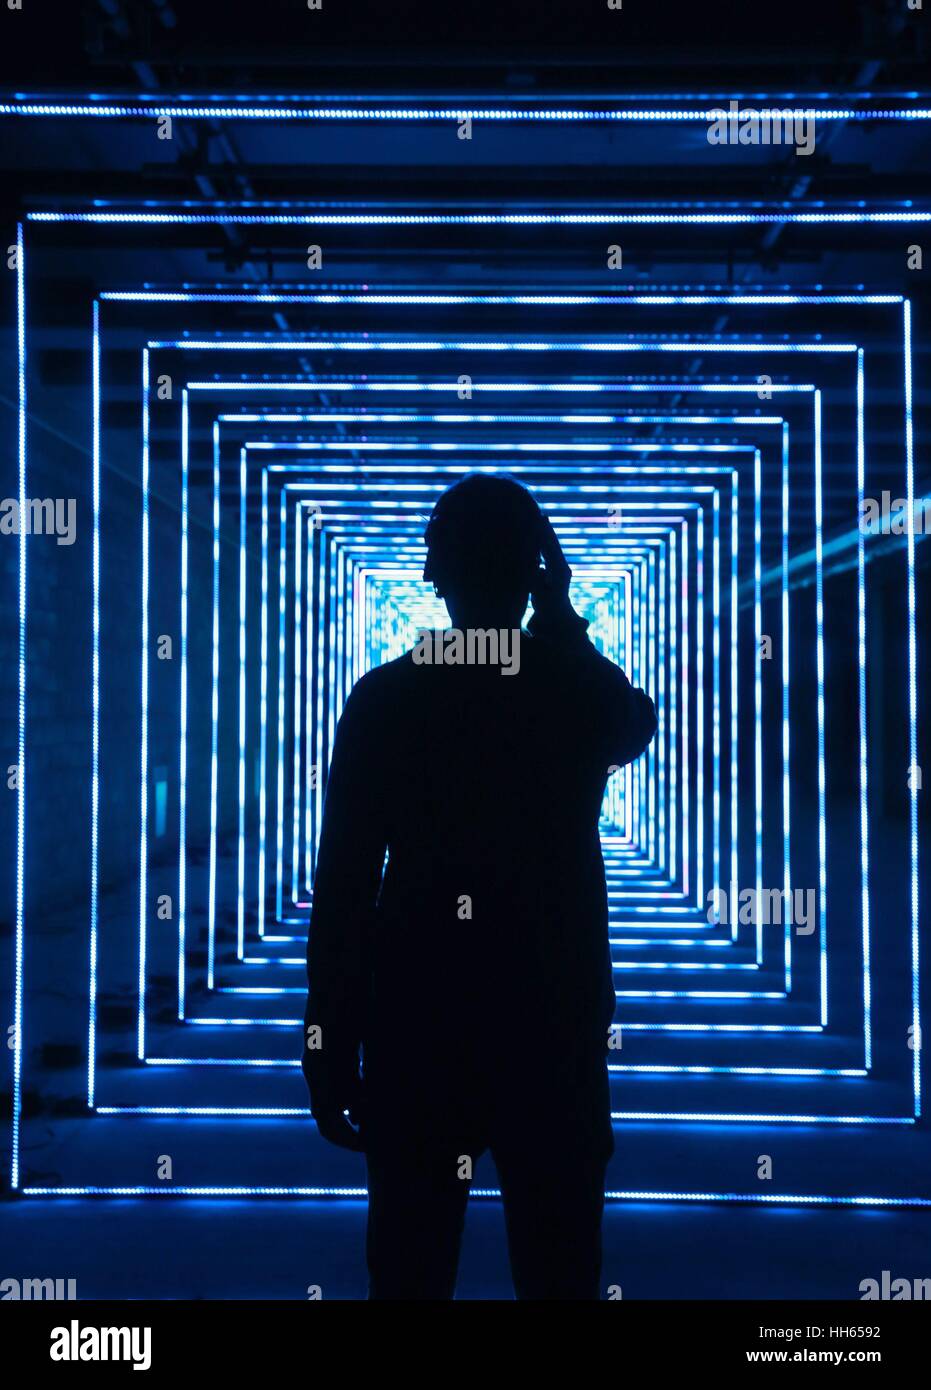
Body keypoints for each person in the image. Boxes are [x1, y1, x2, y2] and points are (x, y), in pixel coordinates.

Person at [302, 474, 657, 1299]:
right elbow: (632, 723)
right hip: (552, 1025)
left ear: (434, 575)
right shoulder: (565, 690)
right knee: (560, 1272)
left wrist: (326, 1037)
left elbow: (345, 884)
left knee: (409, 1273)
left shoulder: (387, 698)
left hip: (417, 1027)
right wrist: (560, 614)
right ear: (532, 571)